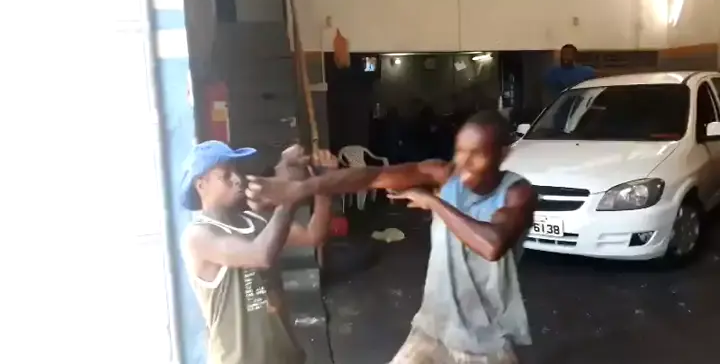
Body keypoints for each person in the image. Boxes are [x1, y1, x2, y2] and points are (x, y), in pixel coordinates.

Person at [246, 111, 538, 364]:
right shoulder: (444, 174)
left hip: (486, 340)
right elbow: (373, 176)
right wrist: (301, 189)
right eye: (460, 151)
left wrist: (434, 202)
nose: (464, 164)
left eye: (477, 155)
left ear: (502, 154)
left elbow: (492, 245)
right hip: (434, 327)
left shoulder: (517, 193)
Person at [179, 140, 337, 364]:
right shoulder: (198, 236)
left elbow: (313, 235)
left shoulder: (254, 222)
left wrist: (323, 186)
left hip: (286, 357)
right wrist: (288, 197)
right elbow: (260, 255)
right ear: (201, 185)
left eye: (236, 171)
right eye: (225, 175)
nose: (237, 179)